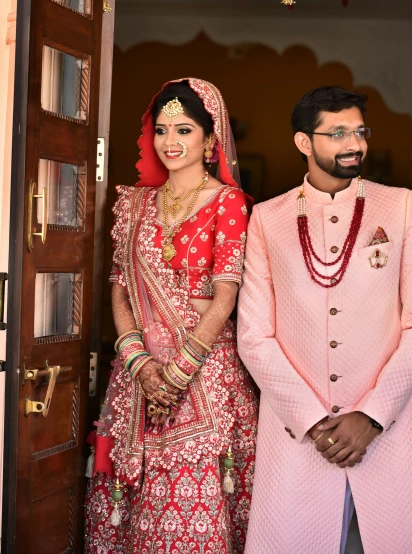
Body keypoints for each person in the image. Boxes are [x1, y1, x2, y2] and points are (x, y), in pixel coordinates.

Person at [237, 85, 412, 554]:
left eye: (359, 132)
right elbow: (254, 337)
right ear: (304, 142)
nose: (353, 144)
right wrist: (315, 419)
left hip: (392, 426)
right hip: (300, 433)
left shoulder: (399, 207)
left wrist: (372, 417)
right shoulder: (266, 219)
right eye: (337, 133)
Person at [85, 78, 258, 554]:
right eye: (162, 130)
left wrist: (179, 371)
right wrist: (140, 364)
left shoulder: (229, 203)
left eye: (184, 129)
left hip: (204, 377)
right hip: (138, 377)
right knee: (131, 510)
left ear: (210, 137)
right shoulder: (133, 203)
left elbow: (225, 299)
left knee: (194, 516)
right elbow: (119, 290)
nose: (170, 142)